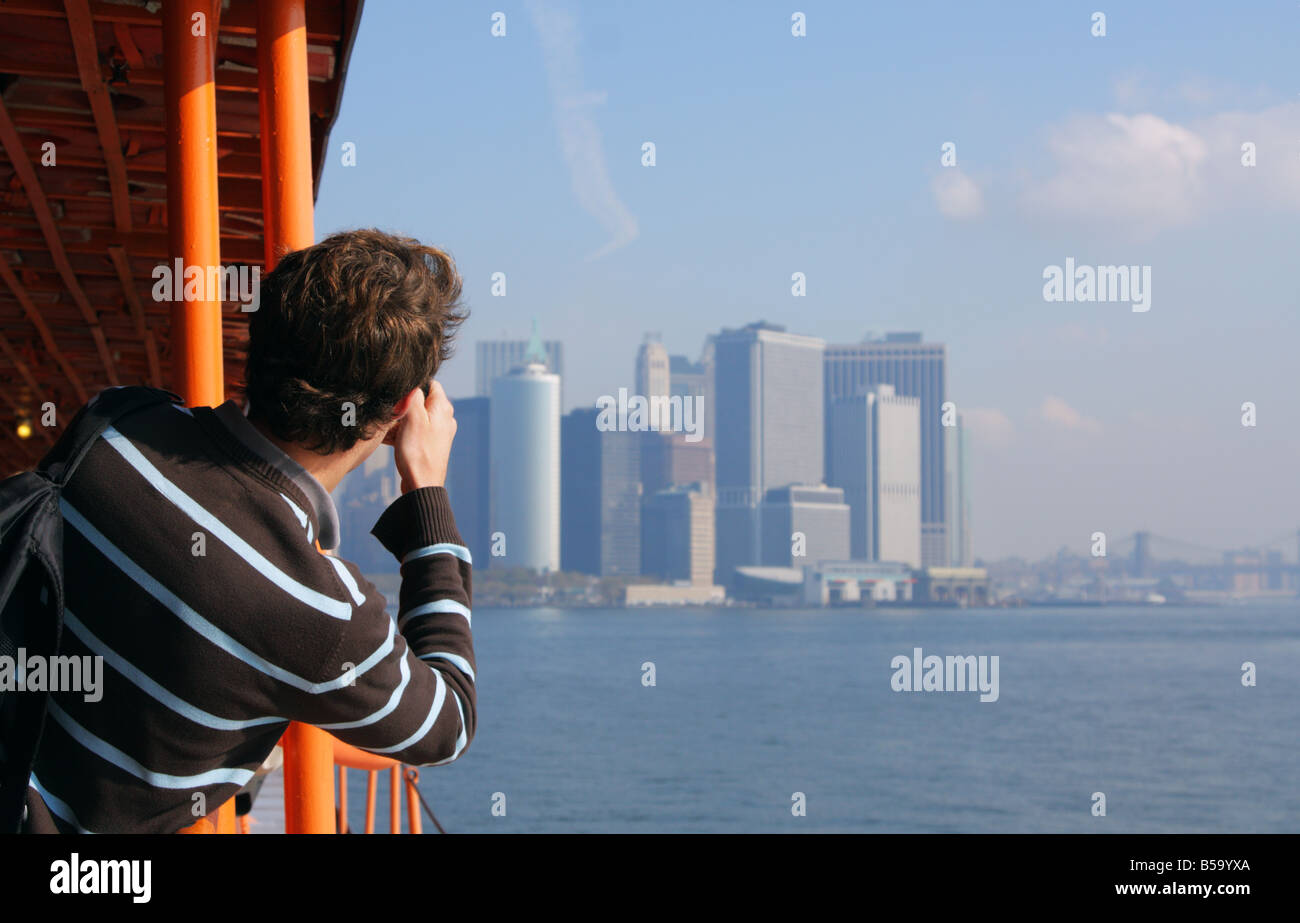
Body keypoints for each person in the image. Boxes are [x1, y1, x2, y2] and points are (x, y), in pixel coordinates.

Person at [22, 229, 474, 833]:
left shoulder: (116, 422)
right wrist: (427, 495)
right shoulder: (319, 613)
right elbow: (448, 724)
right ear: (401, 412)